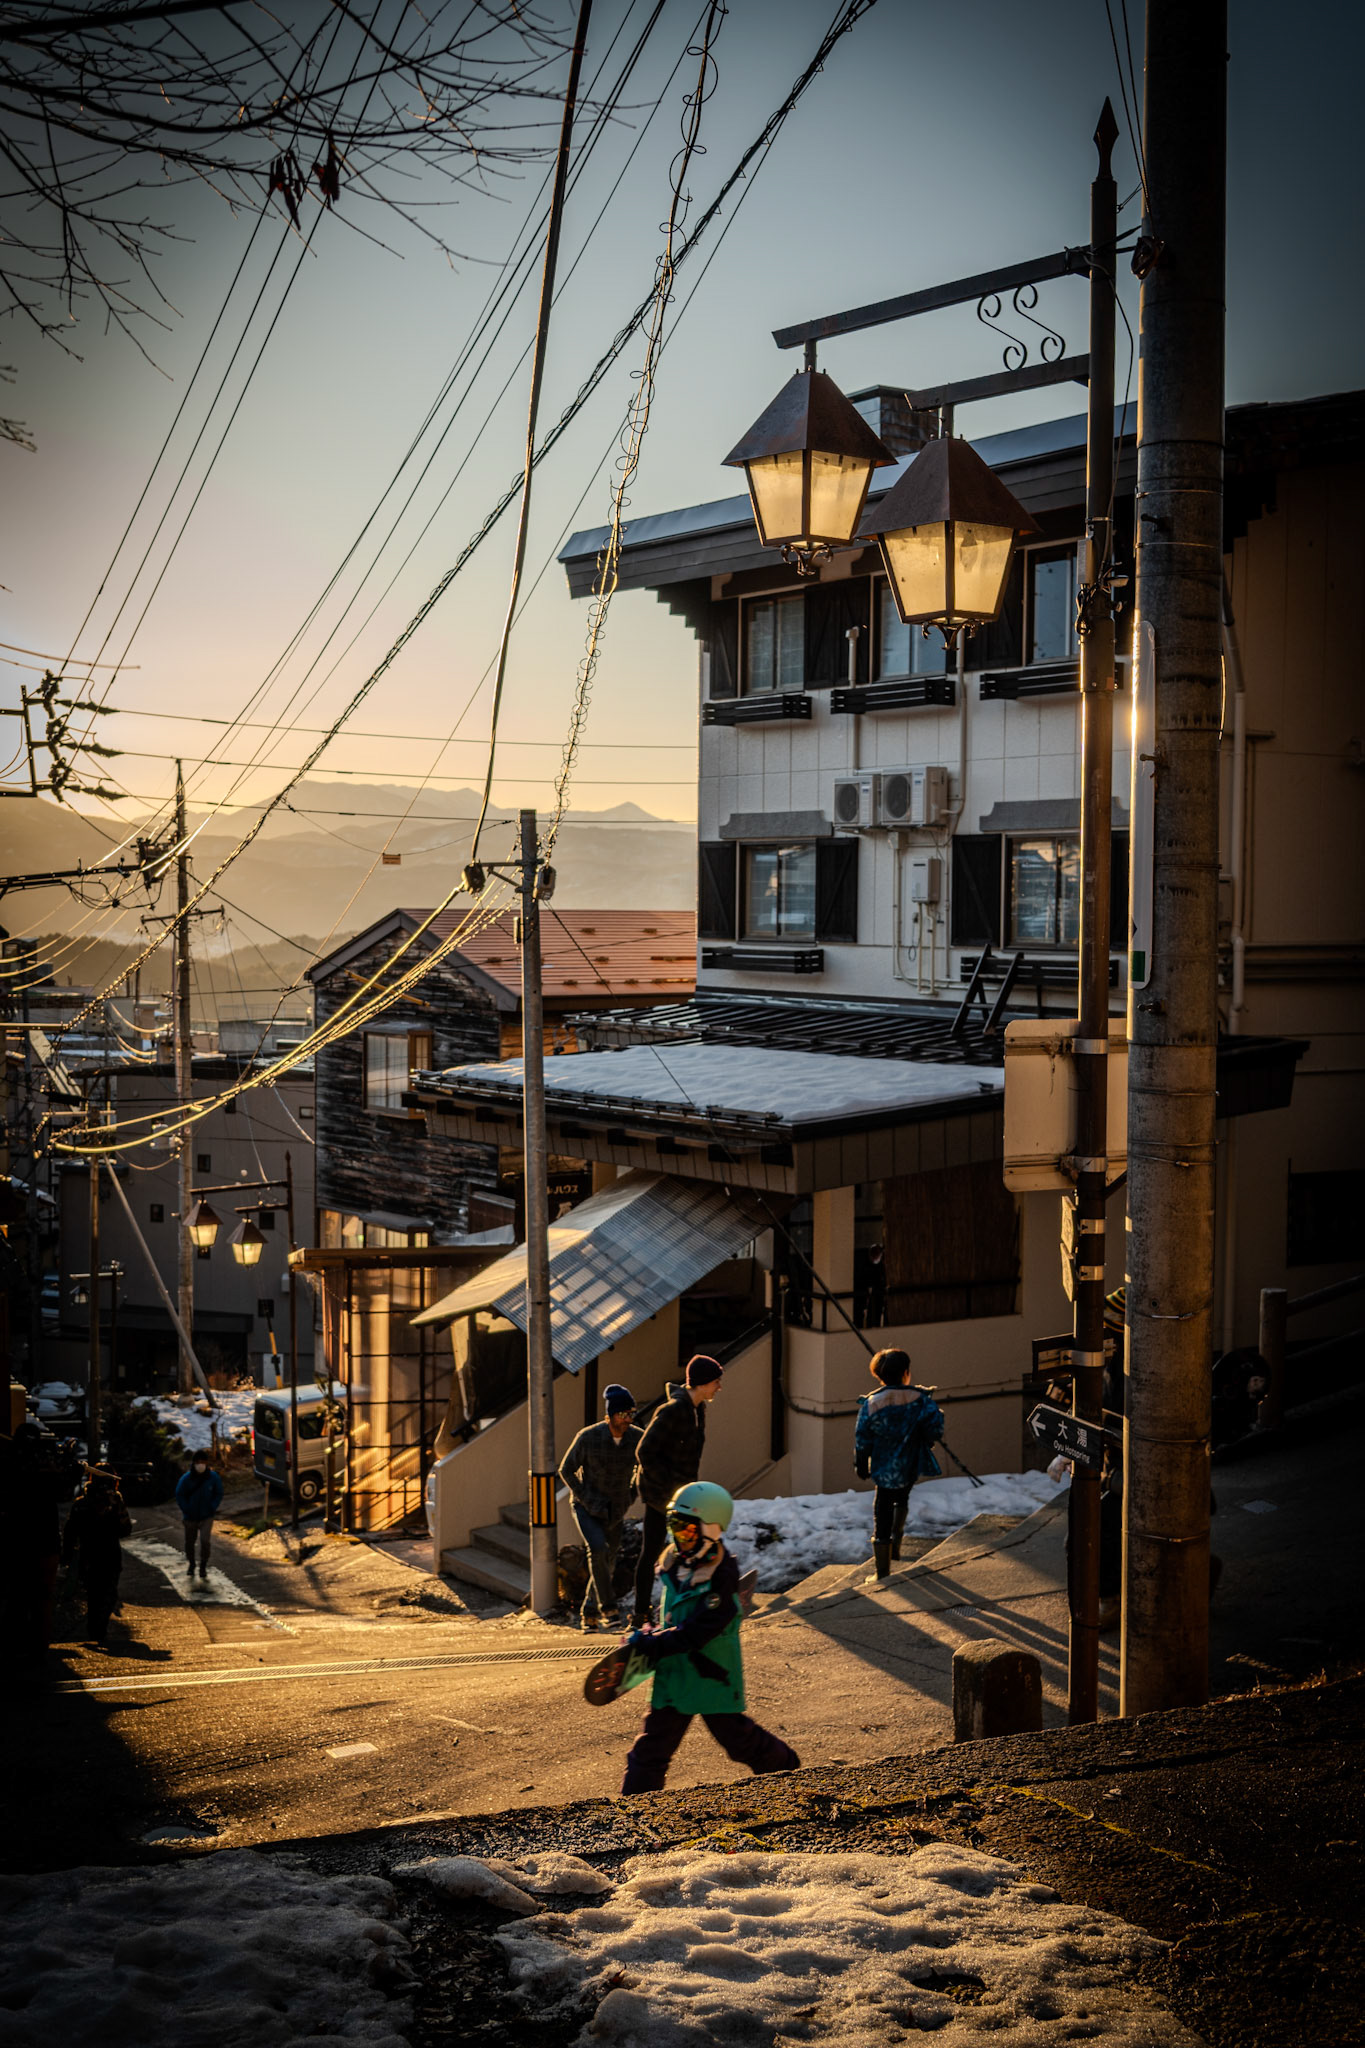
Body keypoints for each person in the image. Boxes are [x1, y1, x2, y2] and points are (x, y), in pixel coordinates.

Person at [619, 1481, 799, 1795]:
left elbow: (698, 1631)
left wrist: (656, 1644)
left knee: (739, 1741)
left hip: (710, 1674)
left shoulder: (721, 1581)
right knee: (650, 1750)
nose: (679, 1537)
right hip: (675, 1676)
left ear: (712, 1531)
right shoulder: (676, 1561)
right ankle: (634, 1811)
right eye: (674, 1527)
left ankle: (787, 1771)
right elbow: (674, 1616)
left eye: (688, 1530)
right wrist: (648, 1632)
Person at [631, 1356, 723, 1625]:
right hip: (662, 1496)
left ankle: (691, 1601)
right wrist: (670, 1488)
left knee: (692, 1545)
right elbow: (644, 1451)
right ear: (702, 1383)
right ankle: (641, 1614)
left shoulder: (698, 1409)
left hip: (683, 1495)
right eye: (716, 1382)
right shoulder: (672, 1410)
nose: (719, 1387)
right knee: (653, 1550)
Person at [558, 1383, 643, 1631]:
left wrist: (631, 1495)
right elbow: (566, 1470)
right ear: (610, 1416)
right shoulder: (589, 1437)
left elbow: (645, 1467)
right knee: (598, 1548)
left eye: (631, 1414)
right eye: (623, 1414)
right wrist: (585, 1496)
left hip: (616, 1510)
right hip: (586, 1508)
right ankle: (610, 1609)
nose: (628, 1419)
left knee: (609, 1562)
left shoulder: (637, 1437)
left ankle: (589, 1611)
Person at [854, 1347, 944, 1578]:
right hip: (910, 1462)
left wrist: (861, 1463)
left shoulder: (872, 1403)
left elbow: (862, 1438)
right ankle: (897, 1544)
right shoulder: (920, 1399)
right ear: (906, 1372)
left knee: (881, 1508)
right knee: (902, 1498)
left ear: (879, 1375)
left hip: (883, 1465)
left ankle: (882, 1569)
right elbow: (935, 1428)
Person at [61, 1466, 132, 1647]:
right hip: (110, 1553)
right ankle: (100, 1628)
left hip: (88, 1554)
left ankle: (94, 1629)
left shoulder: (81, 1503)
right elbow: (126, 1528)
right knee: (108, 1592)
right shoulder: (115, 1501)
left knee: (93, 1593)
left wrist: (67, 1556)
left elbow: (70, 1531)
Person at [175, 1448, 224, 1578]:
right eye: (198, 1461)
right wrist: (186, 1509)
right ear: (194, 1463)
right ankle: (191, 1564)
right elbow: (179, 1495)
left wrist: (212, 1507)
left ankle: (203, 1565)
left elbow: (218, 1493)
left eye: (203, 1461)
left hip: (206, 1516)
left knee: (205, 1541)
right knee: (189, 1542)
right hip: (190, 1517)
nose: (200, 1464)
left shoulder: (213, 1477)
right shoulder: (186, 1479)